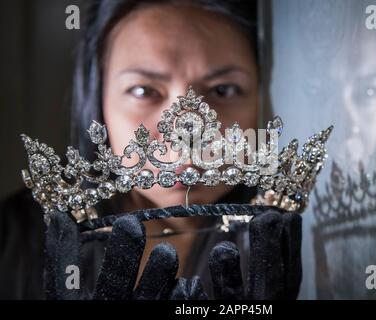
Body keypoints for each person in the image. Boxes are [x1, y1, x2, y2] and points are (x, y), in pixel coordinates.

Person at [0, 0, 259, 299]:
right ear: (98, 101)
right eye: (144, 91)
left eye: (223, 90)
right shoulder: (13, 243)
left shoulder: (299, 240)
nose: (185, 134)